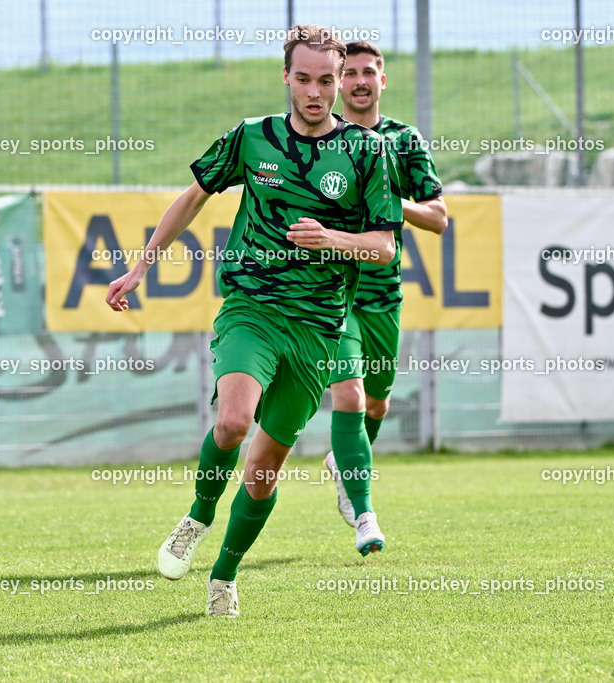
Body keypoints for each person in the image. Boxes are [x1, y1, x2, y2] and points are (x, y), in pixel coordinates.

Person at [105, 25, 401, 618]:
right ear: (286, 77)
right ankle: (197, 515)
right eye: (303, 79)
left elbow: (384, 246)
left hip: (318, 329)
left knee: (264, 471)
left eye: (326, 80)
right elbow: (193, 196)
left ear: (339, 81)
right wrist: (141, 266)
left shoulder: (368, 152)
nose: (314, 92)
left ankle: (224, 575)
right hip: (253, 309)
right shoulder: (252, 137)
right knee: (233, 422)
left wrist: (332, 238)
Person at [322, 41, 447, 553]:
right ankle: (364, 514)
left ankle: (343, 461)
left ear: (382, 80)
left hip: (382, 292)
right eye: (349, 72)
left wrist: (390, 199)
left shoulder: (403, 140)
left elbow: (437, 217)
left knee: (376, 402)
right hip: (332, 291)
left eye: (368, 72)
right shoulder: (320, 139)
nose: (359, 81)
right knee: (349, 395)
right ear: (338, 81)